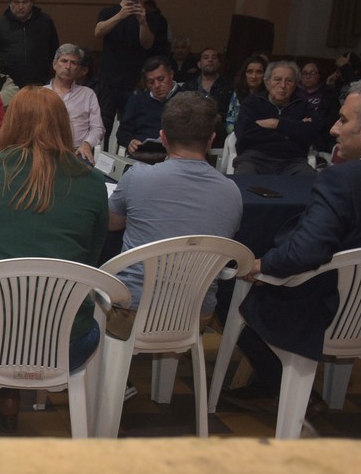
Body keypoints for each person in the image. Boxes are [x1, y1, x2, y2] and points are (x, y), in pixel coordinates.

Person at [0, 86, 108, 423]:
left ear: (12, 123)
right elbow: (90, 256)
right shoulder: (93, 182)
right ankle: (6, 395)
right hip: (65, 335)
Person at [228, 79, 361, 416]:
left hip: (326, 313)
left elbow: (306, 252)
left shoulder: (343, 179)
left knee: (231, 297)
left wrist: (263, 265)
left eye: (343, 120)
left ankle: (282, 389)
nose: (334, 130)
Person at [108, 93, 242, 315]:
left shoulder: (138, 176)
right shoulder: (232, 192)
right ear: (211, 139)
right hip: (196, 315)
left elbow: (112, 224)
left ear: (163, 138)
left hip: (132, 312)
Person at [93, 0, 169, 134]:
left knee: (132, 127)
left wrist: (142, 21)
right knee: (101, 126)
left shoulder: (151, 17)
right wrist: (120, 15)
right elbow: (98, 32)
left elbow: (148, 44)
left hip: (134, 82)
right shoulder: (108, 12)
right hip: (107, 80)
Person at [232, 61, 318, 176]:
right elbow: (243, 133)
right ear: (267, 83)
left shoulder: (303, 106)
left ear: (296, 85)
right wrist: (293, 129)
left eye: (289, 81)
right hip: (254, 159)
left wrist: (276, 124)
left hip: (293, 161)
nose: (283, 85)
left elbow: (312, 133)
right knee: (244, 176)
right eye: (277, 80)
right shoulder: (252, 102)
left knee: (309, 179)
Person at [0, 0, 60, 88]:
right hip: (9, 83)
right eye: (16, 2)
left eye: (25, 2)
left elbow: (54, 49)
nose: (20, 7)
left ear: (32, 3)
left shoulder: (45, 21)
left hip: (39, 81)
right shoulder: (0, 24)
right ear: (10, 4)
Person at [44, 44, 103, 163]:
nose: (68, 66)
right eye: (64, 61)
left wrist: (87, 144)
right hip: (46, 151)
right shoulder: (41, 93)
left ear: (79, 69)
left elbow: (98, 128)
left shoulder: (88, 94)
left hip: (77, 152)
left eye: (74, 63)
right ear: (54, 64)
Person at [118, 56, 180, 159]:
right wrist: (130, 141)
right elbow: (122, 132)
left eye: (161, 79)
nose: (157, 85)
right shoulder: (138, 99)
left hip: (176, 155)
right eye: (151, 82)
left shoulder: (186, 98)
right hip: (143, 154)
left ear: (171, 75)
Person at [226, 54, 268, 134]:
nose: (254, 76)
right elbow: (230, 121)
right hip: (236, 136)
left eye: (259, 72)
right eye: (250, 71)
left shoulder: (269, 97)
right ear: (244, 74)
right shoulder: (237, 94)